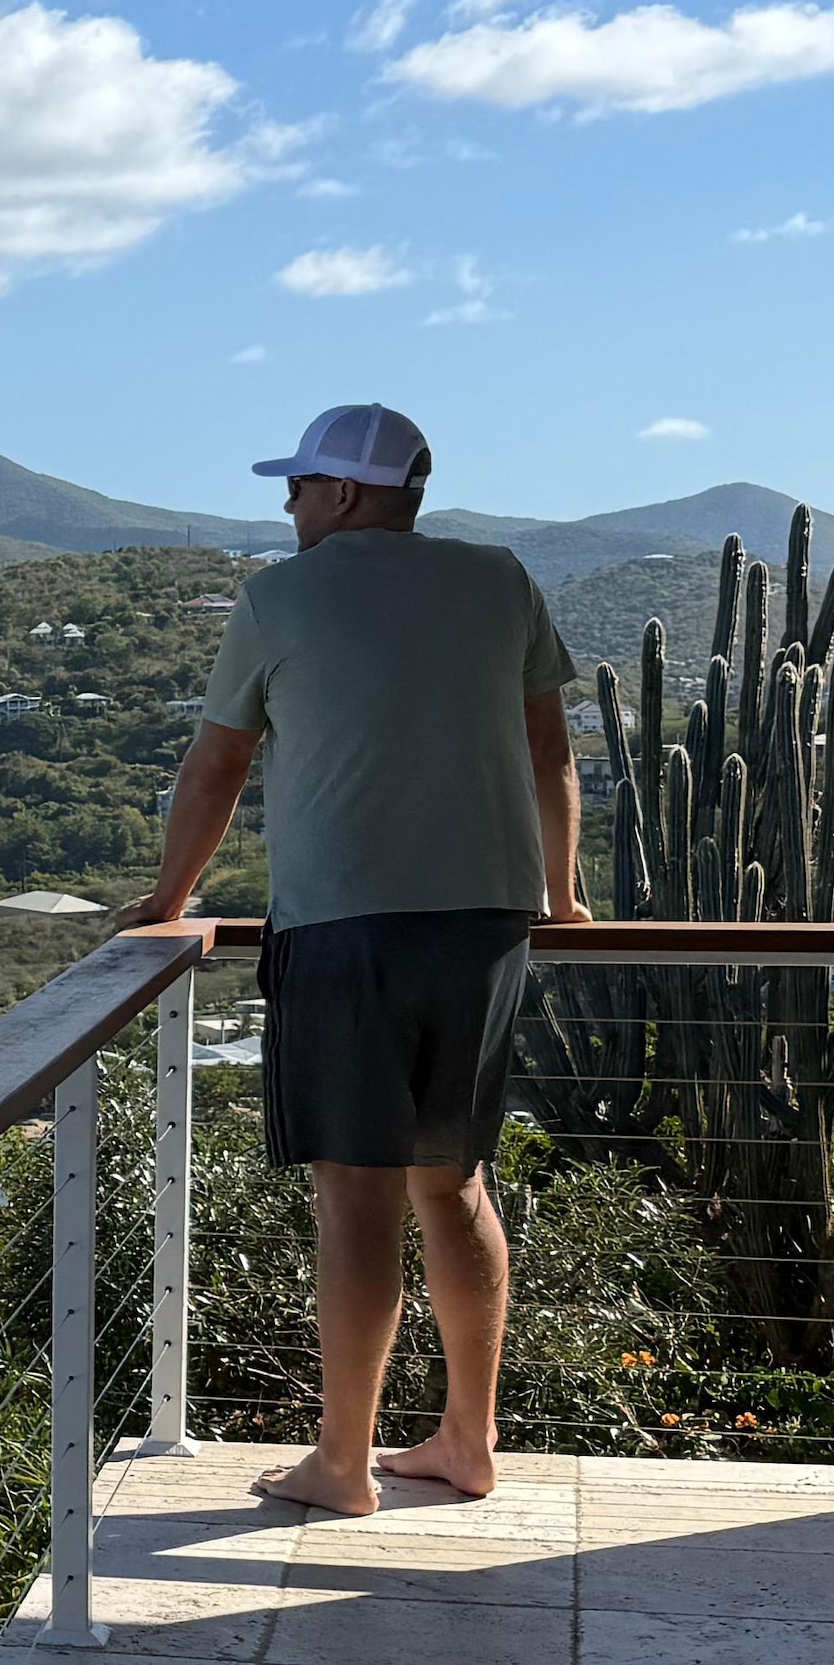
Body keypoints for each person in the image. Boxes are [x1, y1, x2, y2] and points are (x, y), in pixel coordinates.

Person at [124, 403, 584, 1515]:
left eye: (294, 489)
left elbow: (216, 764)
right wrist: (560, 896)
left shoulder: (277, 597)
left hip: (345, 929)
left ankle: (342, 1464)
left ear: (336, 493)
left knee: (353, 1201)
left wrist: (166, 900)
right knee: (453, 1182)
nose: (286, 508)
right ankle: (465, 1445)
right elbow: (547, 748)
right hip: (485, 923)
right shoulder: (499, 580)